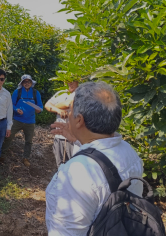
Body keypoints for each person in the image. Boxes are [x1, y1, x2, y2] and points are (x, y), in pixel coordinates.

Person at [45, 81, 143, 236]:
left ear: (79, 120)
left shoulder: (76, 174)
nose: (68, 114)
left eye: (71, 110)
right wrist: (78, 139)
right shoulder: (129, 151)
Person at [2, 74, 43, 167]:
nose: (27, 83)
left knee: (29, 141)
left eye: (29, 81)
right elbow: (11, 104)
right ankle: (2, 154)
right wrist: (16, 109)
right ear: (22, 83)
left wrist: (39, 110)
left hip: (30, 121)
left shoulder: (36, 93)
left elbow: (40, 106)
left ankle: (26, 158)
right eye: (25, 82)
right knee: (8, 136)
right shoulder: (17, 92)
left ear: (31, 83)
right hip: (17, 120)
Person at [45, 81, 78, 167]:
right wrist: (58, 110)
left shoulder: (82, 92)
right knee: (60, 165)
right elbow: (47, 105)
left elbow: (70, 103)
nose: (70, 83)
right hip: (59, 136)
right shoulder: (61, 93)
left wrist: (56, 105)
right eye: (68, 80)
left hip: (74, 138)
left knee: (75, 165)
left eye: (73, 80)